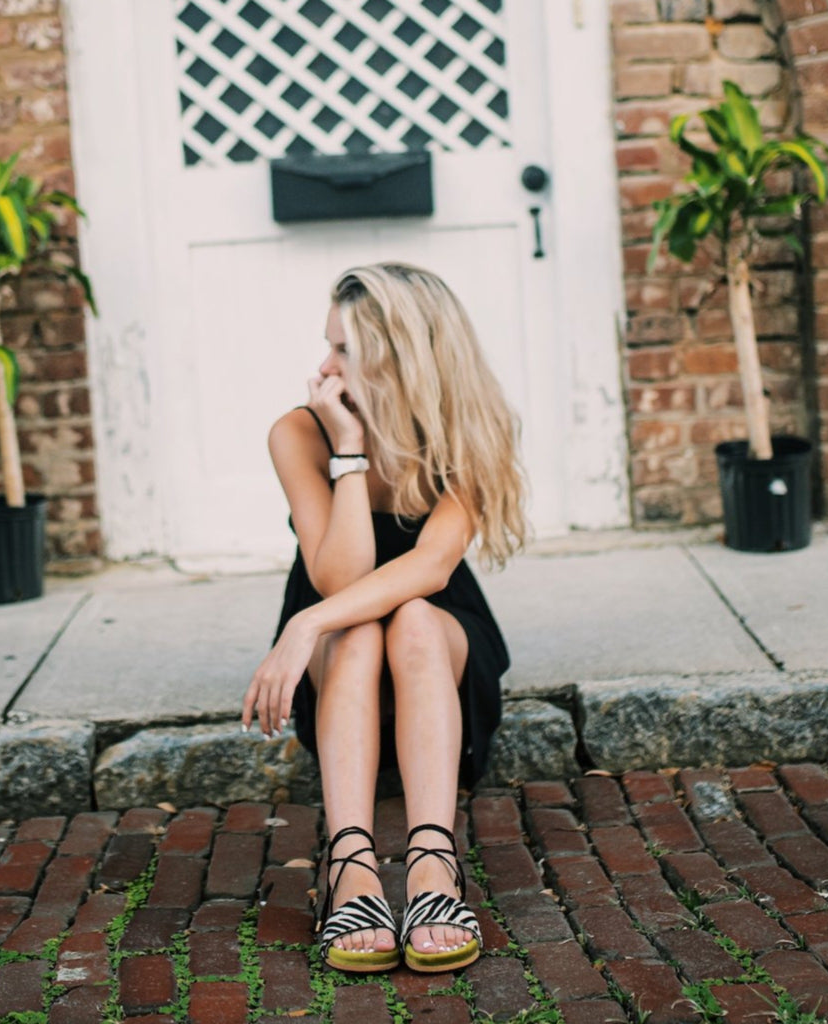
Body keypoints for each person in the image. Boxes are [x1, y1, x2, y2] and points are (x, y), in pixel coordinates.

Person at [242, 262, 525, 974]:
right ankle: (353, 869)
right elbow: (339, 578)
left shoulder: (468, 427)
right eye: (328, 344)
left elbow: (430, 569)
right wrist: (349, 451)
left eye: (343, 350)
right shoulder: (299, 433)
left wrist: (303, 625)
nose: (323, 366)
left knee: (415, 620)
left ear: (398, 356)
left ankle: (434, 867)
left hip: (440, 635)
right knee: (362, 625)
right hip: (344, 642)